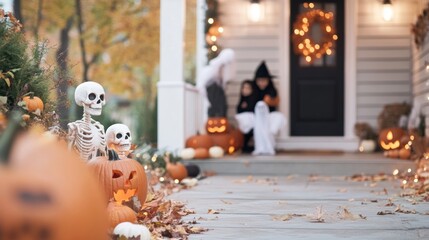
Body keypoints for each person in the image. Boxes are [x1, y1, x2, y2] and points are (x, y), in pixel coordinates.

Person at [236, 80, 257, 152]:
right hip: (243, 122)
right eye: (244, 88)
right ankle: (243, 145)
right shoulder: (242, 99)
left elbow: (252, 109)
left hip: (251, 122)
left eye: (248, 88)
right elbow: (238, 110)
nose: (245, 90)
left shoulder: (253, 99)